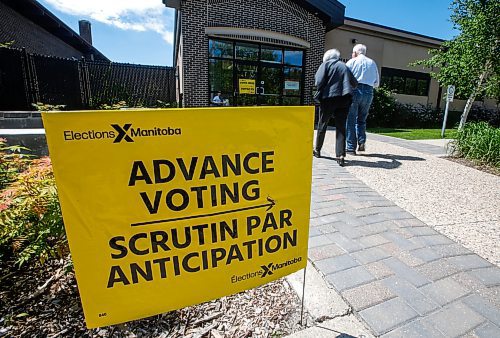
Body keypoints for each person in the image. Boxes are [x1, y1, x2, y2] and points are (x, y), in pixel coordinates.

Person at [313, 49, 358, 166]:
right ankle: (340, 155)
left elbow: (318, 81)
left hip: (328, 98)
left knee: (322, 124)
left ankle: (317, 150)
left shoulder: (326, 64)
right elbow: (354, 83)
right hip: (344, 99)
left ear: (327, 57)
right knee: (341, 127)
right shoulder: (344, 66)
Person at [346, 44, 379, 154]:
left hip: (355, 90)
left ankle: (351, 147)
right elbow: (376, 83)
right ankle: (361, 141)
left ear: (355, 52)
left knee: (350, 119)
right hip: (369, 91)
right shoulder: (372, 63)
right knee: (361, 119)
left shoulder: (351, 62)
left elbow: (345, 78)